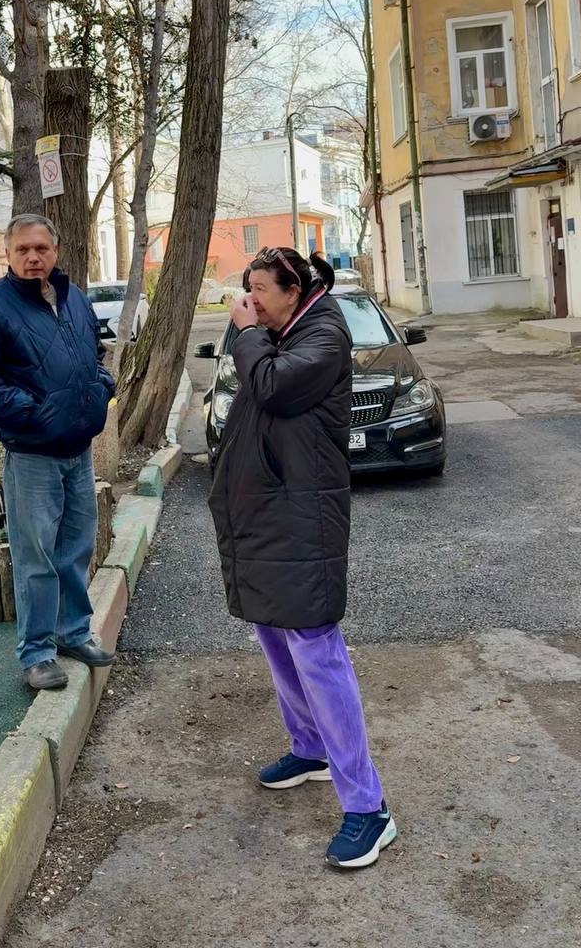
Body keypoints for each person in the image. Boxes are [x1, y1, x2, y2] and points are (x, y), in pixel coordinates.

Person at [208, 246, 396, 869]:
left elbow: (271, 387)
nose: (250, 300)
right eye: (248, 289)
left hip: (301, 519)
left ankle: (369, 808)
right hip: (267, 516)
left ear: (294, 291)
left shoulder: (323, 336)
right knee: (273, 632)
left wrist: (246, 334)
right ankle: (309, 747)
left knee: (316, 648)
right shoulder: (283, 331)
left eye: (261, 289)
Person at [0, 214, 116, 691]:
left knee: (75, 549)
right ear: (7, 254)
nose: (33, 257)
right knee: (36, 558)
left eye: (41, 249)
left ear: (56, 250)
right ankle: (36, 652)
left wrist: (101, 387)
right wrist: (33, 413)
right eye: (23, 250)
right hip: (31, 454)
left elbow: (94, 354)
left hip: (78, 448)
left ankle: (72, 633)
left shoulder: (74, 298)